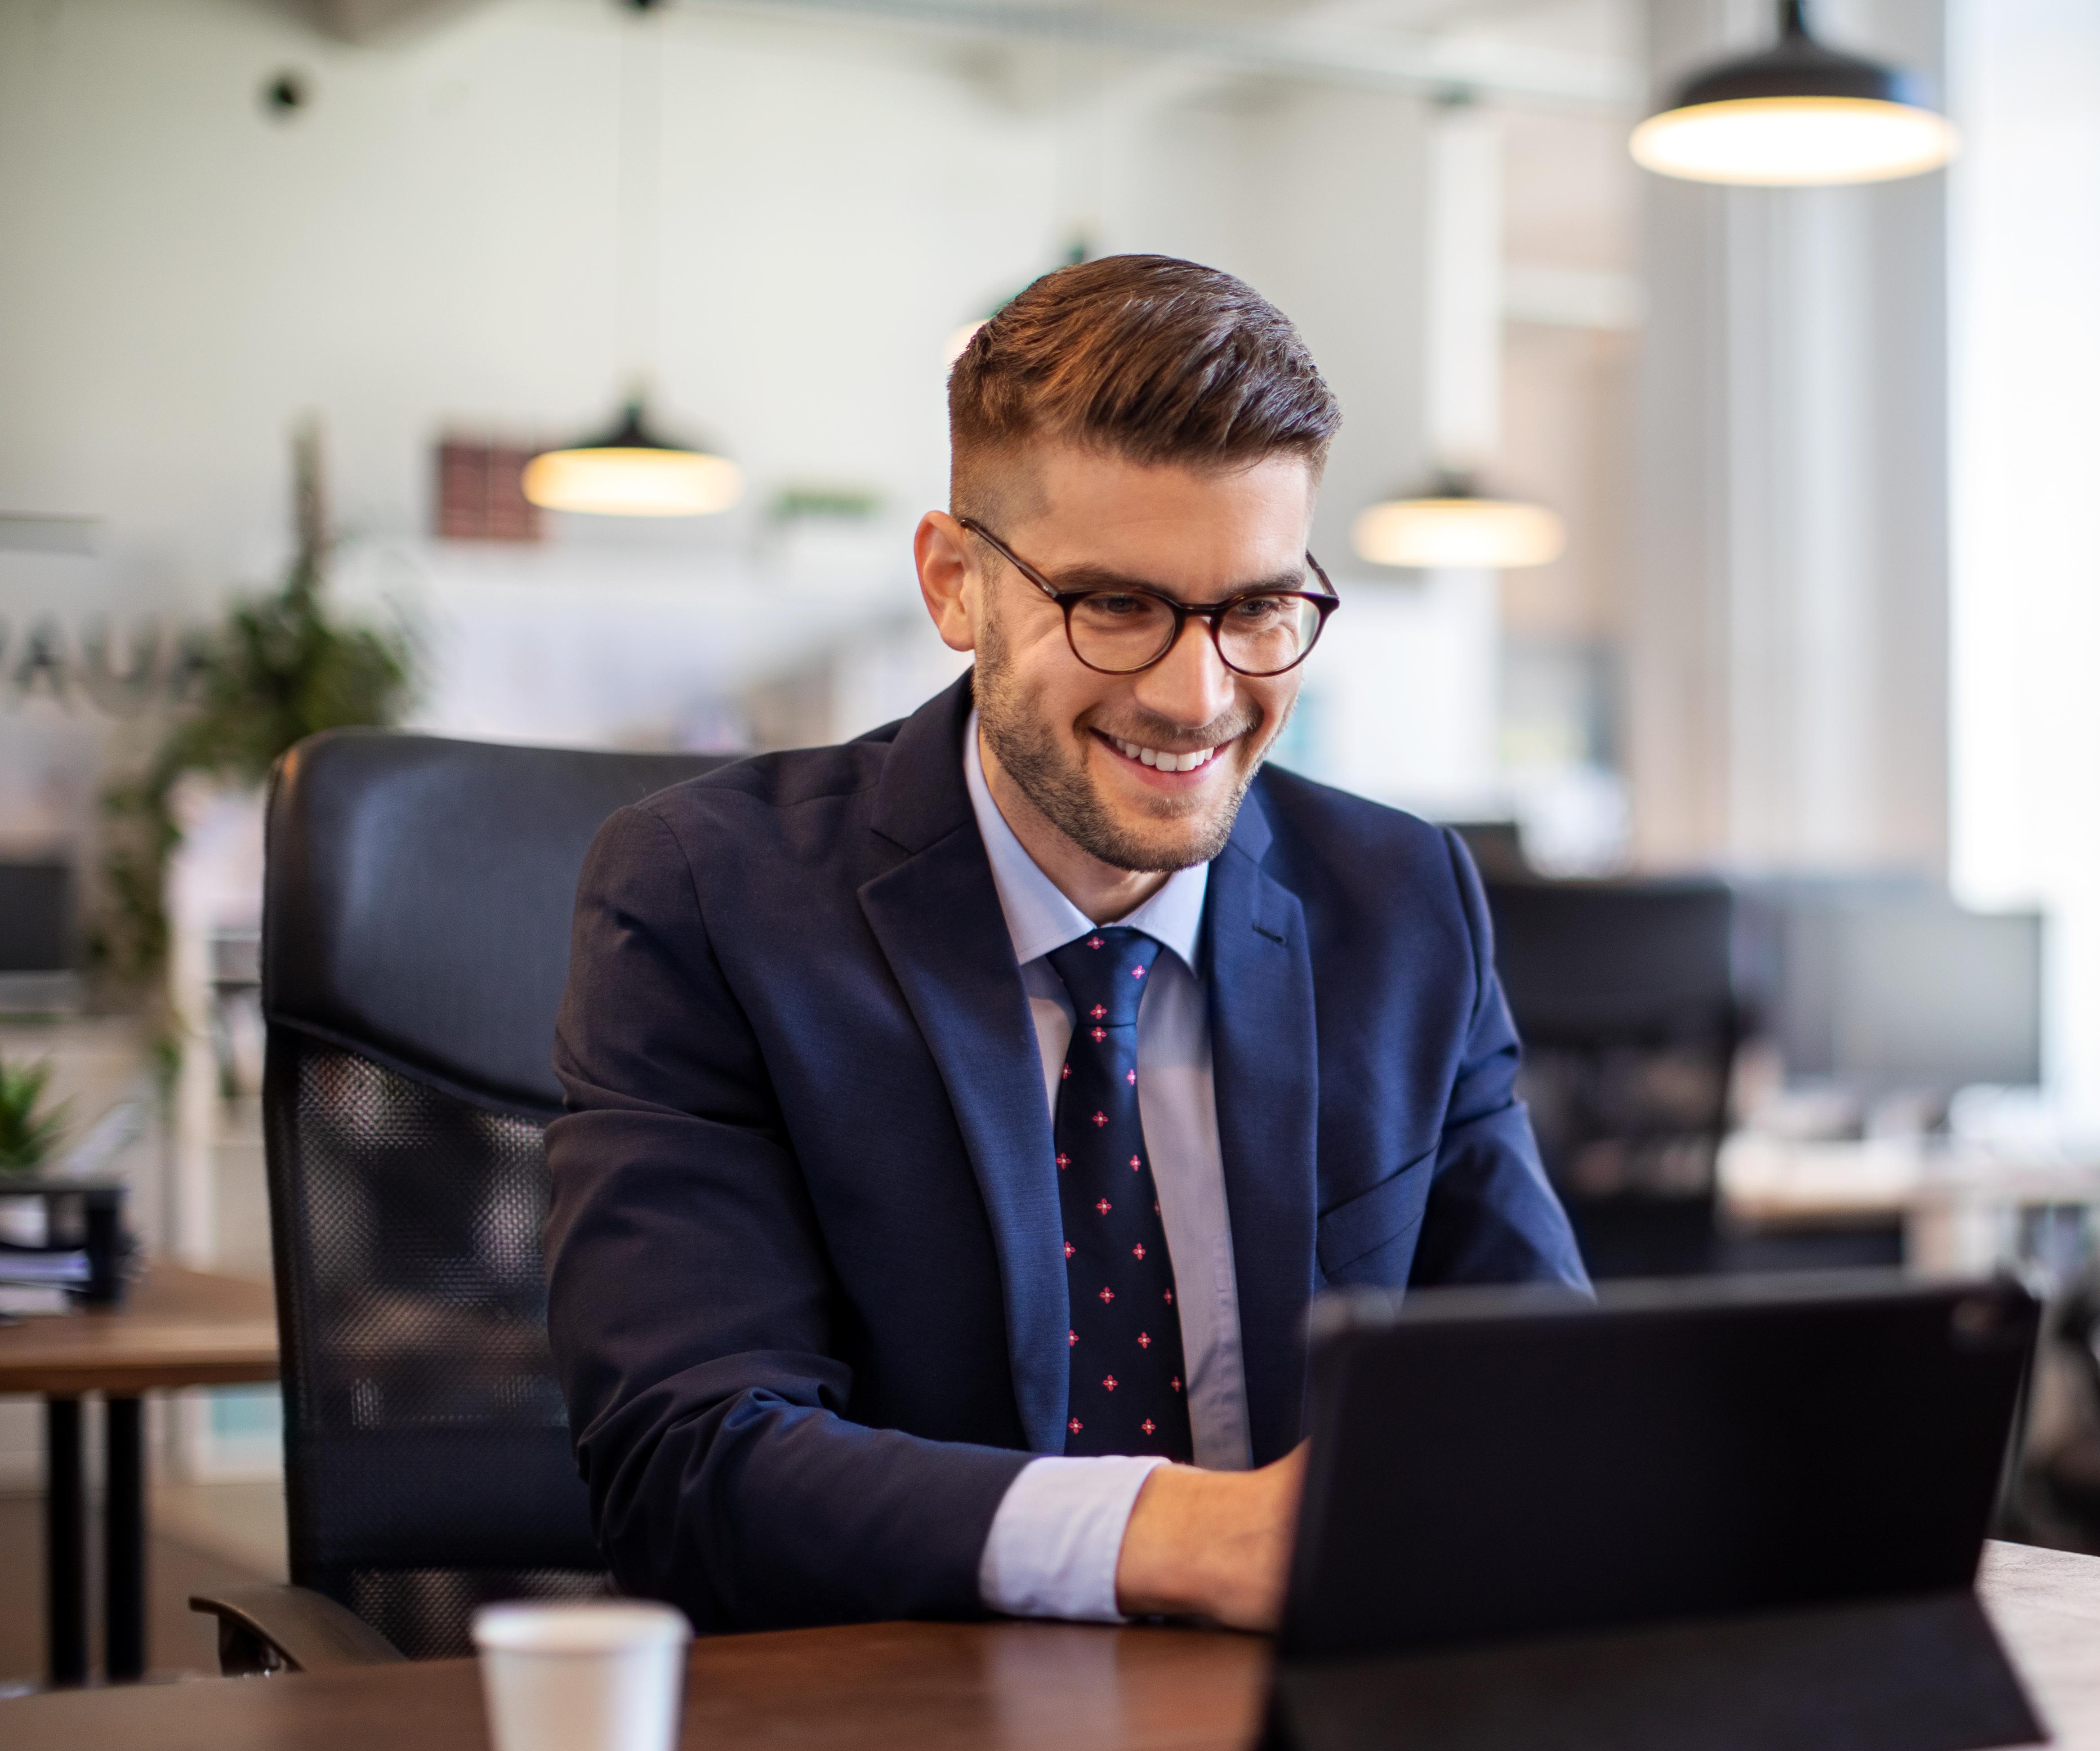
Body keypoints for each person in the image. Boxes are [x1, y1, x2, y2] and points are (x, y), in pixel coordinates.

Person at [544, 255, 1587, 1637]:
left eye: (1259, 610)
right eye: (1118, 607)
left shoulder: (1401, 904)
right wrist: (1183, 1536)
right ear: (957, 585)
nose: (1197, 694)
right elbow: (690, 1467)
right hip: (893, 1747)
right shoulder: (710, 901)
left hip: (1317, 1738)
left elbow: (1551, 1397)